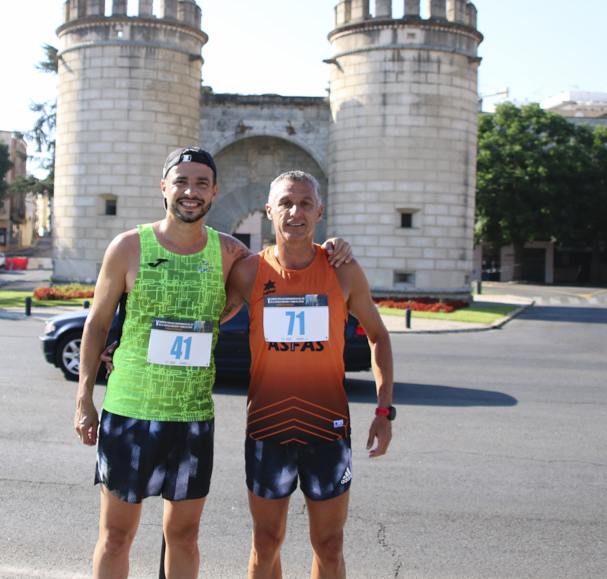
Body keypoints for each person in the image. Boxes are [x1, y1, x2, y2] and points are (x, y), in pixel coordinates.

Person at [74, 148, 353, 579]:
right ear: (164, 187)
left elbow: (282, 263)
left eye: (202, 183)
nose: (191, 191)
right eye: (181, 181)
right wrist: (84, 399)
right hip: (129, 411)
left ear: (215, 193)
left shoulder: (229, 254)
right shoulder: (129, 246)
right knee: (115, 537)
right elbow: (96, 323)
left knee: (183, 537)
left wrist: (330, 247)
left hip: (192, 418)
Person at [224, 170, 394, 579]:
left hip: (327, 428)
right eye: (285, 202)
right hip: (267, 426)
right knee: (266, 540)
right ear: (269, 211)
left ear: (320, 211)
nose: (294, 211)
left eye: (304, 203)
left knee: (330, 545)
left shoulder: (342, 270)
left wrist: (384, 411)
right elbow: (203, 323)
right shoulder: (248, 272)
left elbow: (379, 336)